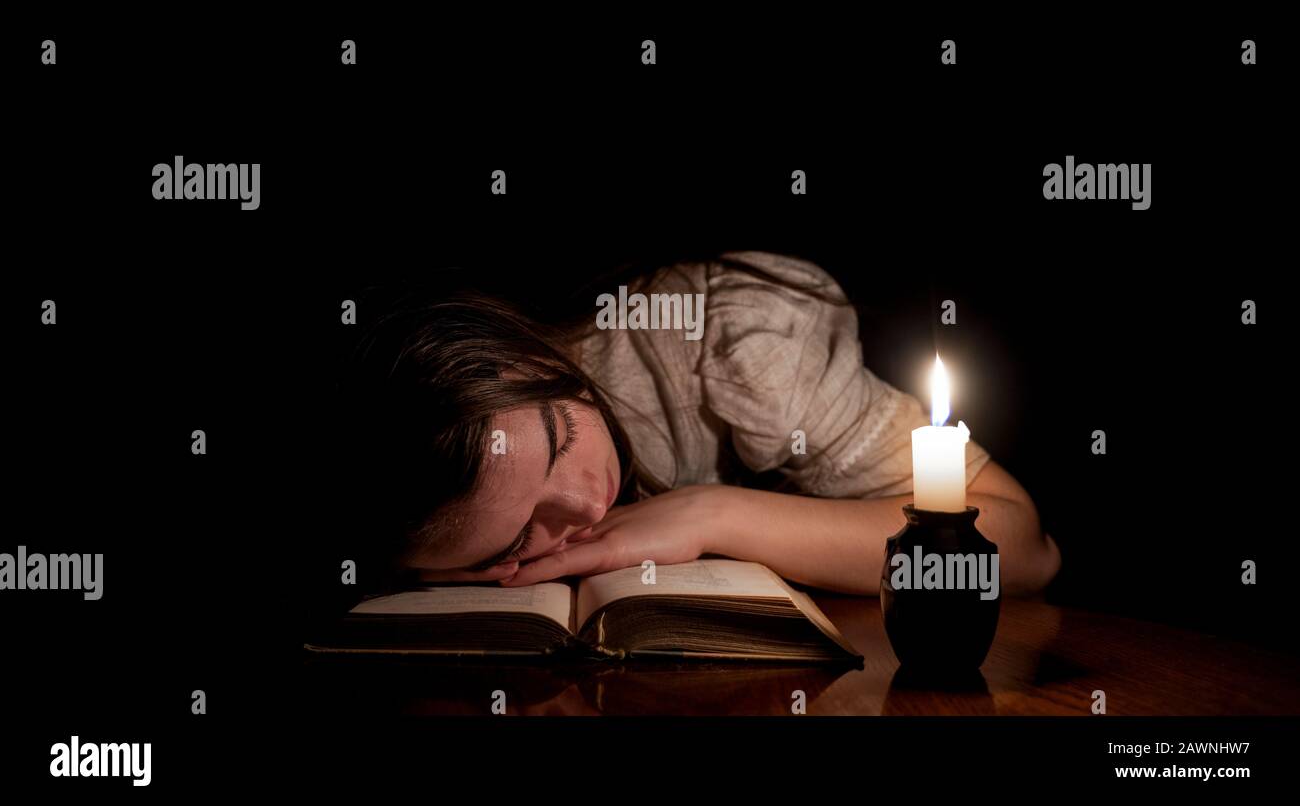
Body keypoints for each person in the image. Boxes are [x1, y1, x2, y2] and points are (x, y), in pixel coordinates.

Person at [336, 251, 1060, 597]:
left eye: (560, 439)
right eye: (522, 538)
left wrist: (716, 513)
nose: (588, 505)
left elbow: (1021, 547)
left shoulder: (739, 357)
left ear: (527, 348)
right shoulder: (399, 545)